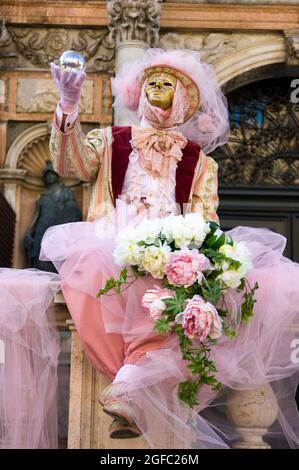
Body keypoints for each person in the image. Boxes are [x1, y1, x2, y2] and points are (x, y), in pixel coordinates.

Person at [40, 49, 299, 447]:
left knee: (200, 292)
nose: (157, 88)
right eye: (151, 83)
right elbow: (69, 164)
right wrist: (68, 106)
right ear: (139, 94)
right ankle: (132, 384)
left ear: (182, 98)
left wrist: (196, 256)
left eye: (167, 84)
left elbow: (205, 218)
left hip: (173, 246)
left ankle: (130, 388)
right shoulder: (110, 140)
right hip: (112, 241)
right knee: (97, 269)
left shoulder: (200, 161)